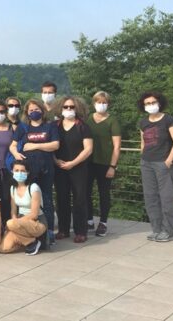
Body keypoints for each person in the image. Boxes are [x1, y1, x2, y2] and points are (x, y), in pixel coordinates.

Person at [10, 99, 60, 244]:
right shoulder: (23, 127)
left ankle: (49, 230)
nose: (34, 112)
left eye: (36, 109)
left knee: (47, 199)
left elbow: (55, 145)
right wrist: (16, 155)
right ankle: (30, 228)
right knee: (30, 199)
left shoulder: (50, 127)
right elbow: (13, 146)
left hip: (46, 169)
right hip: (28, 170)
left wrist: (32, 146)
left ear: (42, 110)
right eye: (31, 110)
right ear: (27, 112)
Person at [138, 91, 173, 242]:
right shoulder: (143, 122)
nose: (150, 105)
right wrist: (142, 156)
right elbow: (143, 141)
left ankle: (168, 230)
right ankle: (156, 229)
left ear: (159, 103)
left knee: (166, 197)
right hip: (147, 163)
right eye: (147, 103)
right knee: (150, 197)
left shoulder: (168, 119)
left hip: (163, 163)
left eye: (153, 102)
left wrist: (168, 161)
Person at [54, 96, 93, 243]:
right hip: (59, 167)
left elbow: (88, 149)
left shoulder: (82, 126)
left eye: (72, 107)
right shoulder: (55, 126)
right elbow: (51, 146)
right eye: (66, 107)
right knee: (62, 198)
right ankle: (63, 229)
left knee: (79, 199)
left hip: (79, 168)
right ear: (60, 108)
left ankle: (80, 231)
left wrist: (73, 163)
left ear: (77, 108)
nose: (69, 110)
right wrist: (56, 161)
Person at [86, 91, 122, 237]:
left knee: (103, 194)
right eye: (98, 102)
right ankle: (88, 220)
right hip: (88, 162)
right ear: (94, 103)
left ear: (108, 104)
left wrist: (112, 166)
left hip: (105, 163)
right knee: (86, 192)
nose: (101, 105)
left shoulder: (112, 120)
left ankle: (103, 223)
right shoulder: (89, 118)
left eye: (104, 102)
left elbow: (117, 146)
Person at [0, 160, 47, 255]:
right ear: (12, 171)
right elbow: (13, 211)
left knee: (10, 223)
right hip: (20, 221)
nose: (19, 173)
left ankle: (34, 239)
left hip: (36, 222)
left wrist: (14, 223)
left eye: (22, 171)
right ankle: (31, 242)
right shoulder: (13, 188)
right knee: (3, 249)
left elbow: (34, 214)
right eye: (16, 170)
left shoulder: (33, 188)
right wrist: (15, 221)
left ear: (28, 172)